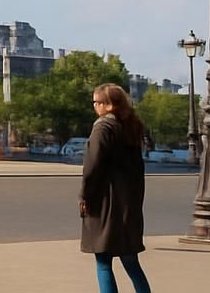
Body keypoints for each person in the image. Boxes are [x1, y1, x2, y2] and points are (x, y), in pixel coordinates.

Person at [80, 84, 152, 293]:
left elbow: (92, 167)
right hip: (127, 205)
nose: (95, 106)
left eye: (97, 102)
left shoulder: (103, 127)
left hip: (106, 205)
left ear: (109, 105)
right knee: (131, 262)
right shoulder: (130, 126)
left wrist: (85, 196)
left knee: (103, 262)